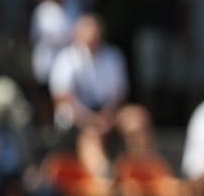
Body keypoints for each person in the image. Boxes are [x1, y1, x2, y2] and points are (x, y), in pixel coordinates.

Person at [49, 14, 152, 179]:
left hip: (107, 115)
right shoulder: (65, 59)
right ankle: (104, 180)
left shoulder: (114, 56)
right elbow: (63, 100)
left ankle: (143, 175)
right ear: (77, 34)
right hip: (77, 121)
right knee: (92, 135)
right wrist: (92, 120)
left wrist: (107, 117)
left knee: (136, 118)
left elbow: (119, 96)